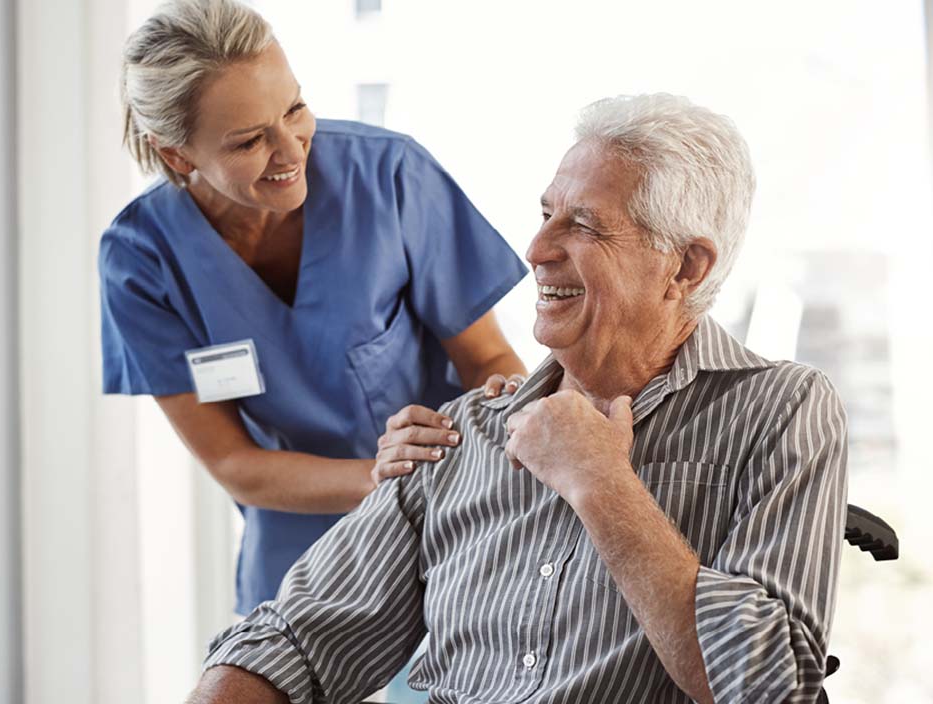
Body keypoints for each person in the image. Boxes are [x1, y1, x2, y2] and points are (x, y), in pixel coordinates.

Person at [190, 94, 849, 704]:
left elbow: (769, 687)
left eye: (584, 226)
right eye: (545, 215)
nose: (534, 250)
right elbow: (296, 641)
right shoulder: (462, 432)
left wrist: (601, 482)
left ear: (685, 266)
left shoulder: (783, 410)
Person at [99, 0, 528, 623]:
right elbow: (234, 463)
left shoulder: (388, 176)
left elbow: (486, 357)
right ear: (177, 156)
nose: (290, 149)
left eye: (295, 108)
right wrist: (378, 476)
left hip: (453, 499)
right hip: (297, 535)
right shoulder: (141, 258)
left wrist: (514, 407)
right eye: (248, 140)